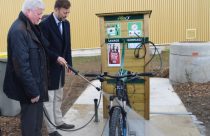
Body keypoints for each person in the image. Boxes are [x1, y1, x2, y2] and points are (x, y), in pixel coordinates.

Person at [3, 0, 48, 136]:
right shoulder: (18, 30)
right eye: (39, 14)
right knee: (30, 127)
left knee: (37, 126)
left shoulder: (30, 27)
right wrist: (33, 92)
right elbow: (21, 66)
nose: (41, 17)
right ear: (29, 11)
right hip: (30, 91)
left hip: (37, 87)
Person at [39, 0, 74, 135]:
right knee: (50, 99)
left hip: (60, 68)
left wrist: (69, 63)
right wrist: (56, 57)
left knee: (58, 96)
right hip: (49, 69)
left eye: (68, 12)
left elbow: (68, 46)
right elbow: (44, 47)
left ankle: (59, 122)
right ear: (57, 9)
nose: (67, 15)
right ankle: (52, 129)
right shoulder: (45, 25)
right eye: (65, 12)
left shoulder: (66, 24)